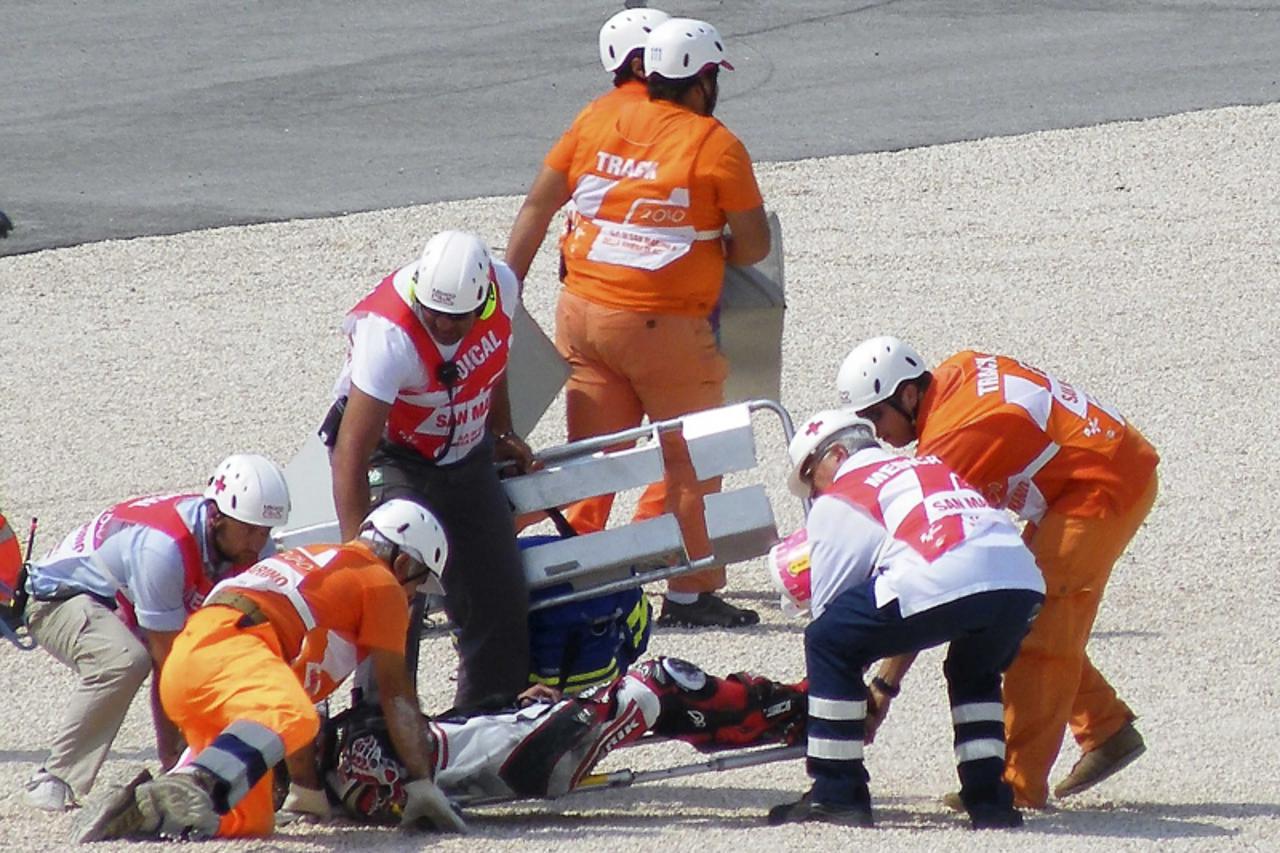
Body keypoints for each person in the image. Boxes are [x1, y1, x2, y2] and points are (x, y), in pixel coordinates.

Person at [505, 17, 772, 628]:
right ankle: (688, 592)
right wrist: (703, 250)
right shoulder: (715, 144)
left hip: (582, 318)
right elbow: (753, 245)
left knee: (590, 462)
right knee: (691, 457)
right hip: (665, 331)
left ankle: (558, 570)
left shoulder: (596, 118)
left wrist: (504, 296)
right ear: (703, 81)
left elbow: (537, 206)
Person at [837, 337, 1160, 808]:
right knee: (1028, 613)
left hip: (1102, 488)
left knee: (1034, 635)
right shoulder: (957, 373)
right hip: (1098, 469)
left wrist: (884, 685)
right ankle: (1105, 727)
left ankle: (1017, 786)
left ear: (908, 396)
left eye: (877, 417)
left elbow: (928, 573)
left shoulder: (954, 440)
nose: (876, 433)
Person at [74, 500, 466, 842]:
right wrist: (421, 783)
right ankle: (194, 780)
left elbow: (292, 683)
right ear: (403, 562)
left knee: (250, 820)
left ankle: (137, 807)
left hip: (190, 658)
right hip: (236, 645)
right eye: (417, 583)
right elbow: (396, 694)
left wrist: (306, 790)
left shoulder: (318, 559)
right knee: (292, 714)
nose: (414, 596)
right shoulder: (381, 583)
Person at [767, 409, 1044, 829]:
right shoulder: (927, 465)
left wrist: (844, 707)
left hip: (946, 572)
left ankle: (837, 792)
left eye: (811, 474)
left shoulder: (843, 494)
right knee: (974, 670)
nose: (812, 489)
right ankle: (990, 800)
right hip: (1020, 580)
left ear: (837, 454)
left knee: (827, 639)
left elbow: (833, 614)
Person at [325, 229, 532, 708]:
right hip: (394, 455)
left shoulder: (503, 289)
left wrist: (502, 432)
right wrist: (360, 554)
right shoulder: (390, 334)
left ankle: (487, 718)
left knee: (498, 592)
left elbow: (492, 364)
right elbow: (351, 453)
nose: (442, 325)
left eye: (457, 318)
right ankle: (381, 727)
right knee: (392, 595)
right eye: (432, 312)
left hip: (467, 452)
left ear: (481, 303)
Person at [21, 454, 289, 812]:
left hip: (121, 600)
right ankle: (54, 777)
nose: (259, 542)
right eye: (250, 529)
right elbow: (171, 664)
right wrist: (175, 759)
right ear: (218, 517)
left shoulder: (249, 543)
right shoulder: (163, 550)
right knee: (125, 660)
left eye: (265, 531)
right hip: (58, 598)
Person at [326, 654, 808, 820]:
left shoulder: (344, 752)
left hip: (511, 749)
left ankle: (779, 711)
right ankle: (794, 705)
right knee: (660, 681)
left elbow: (448, 738)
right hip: (524, 759)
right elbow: (415, 776)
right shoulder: (358, 750)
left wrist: (512, 708)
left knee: (664, 703)